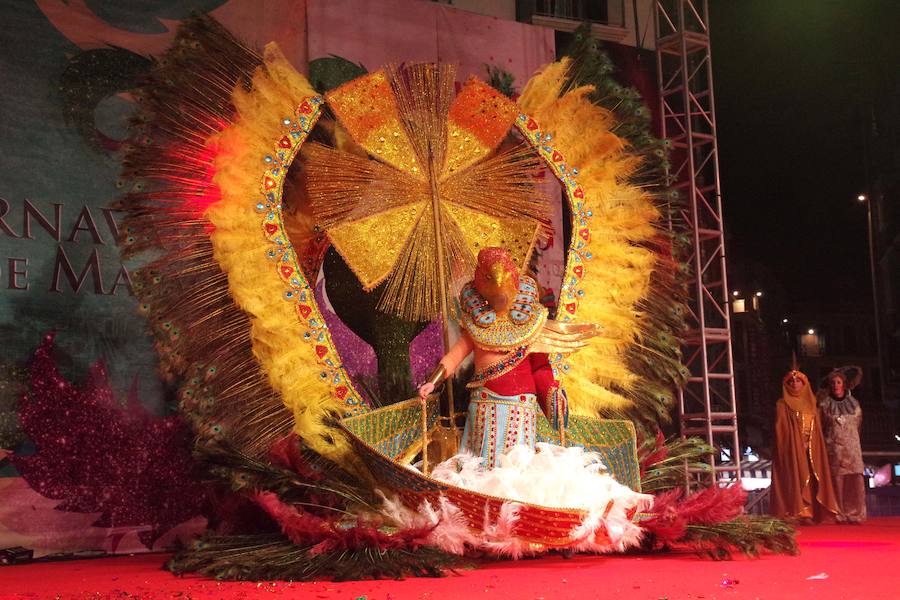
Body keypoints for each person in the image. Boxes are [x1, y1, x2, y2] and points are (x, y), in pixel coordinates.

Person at [417, 247, 596, 468]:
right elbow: (455, 356)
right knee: (483, 469)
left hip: (520, 408)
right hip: (485, 406)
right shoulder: (477, 324)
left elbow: (540, 369)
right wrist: (432, 383)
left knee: (515, 470)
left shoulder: (531, 323)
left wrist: (552, 395)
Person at [770, 369, 839, 523]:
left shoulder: (812, 402)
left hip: (812, 448)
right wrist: (794, 444)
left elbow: (818, 428)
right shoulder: (782, 404)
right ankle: (798, 512)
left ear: (804, 383)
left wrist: (811, 443)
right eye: (791, 381)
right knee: (797, 476)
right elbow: (781, 429)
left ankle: (814, 512)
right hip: (792, 450)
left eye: (798, 381)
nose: (795, 384)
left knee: (814, 476)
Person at [818, 370, 867, 523]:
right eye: (833, 383)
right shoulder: (824, 405)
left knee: (855, 479)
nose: (835, 386)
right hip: (834, 447)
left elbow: (858, 424)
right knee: (837, 480)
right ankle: (838, 512)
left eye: (838, 382)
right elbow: (821, 426)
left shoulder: (854, 404)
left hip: (852, 446)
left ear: (844, 385)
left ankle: (855, 513)